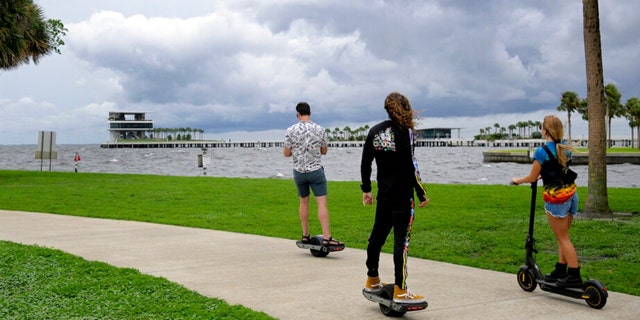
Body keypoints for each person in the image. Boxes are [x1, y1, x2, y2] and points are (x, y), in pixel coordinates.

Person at [360, 92, 429, 304]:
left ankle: (372, 278)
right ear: (406, 108)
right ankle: (401, 288)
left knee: (377, 237)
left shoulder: (375, 131)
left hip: (384, 195)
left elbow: (365, 163)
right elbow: (409, 165)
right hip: (402, 196)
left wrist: (367, 189)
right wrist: (420, 191)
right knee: (401, 243)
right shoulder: (404, 132)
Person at [511, 115, 582, 287]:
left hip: (556, 199)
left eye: (542, 126)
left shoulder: (542, 151)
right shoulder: (564, 146)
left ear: (545, 130)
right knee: (562, 236)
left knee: (563, 237)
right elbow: (557, 169)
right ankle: (561, 268)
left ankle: (574, 274)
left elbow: (532, 176)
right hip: (571, 195)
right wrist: (546, 174)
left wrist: (517, 180)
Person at [284, 102, 343, 247]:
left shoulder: (290, 130)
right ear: (310, 113)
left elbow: (286, 153)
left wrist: (296, 150)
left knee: (303, 202)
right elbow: (324, 151)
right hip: (315, 170)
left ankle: (305, 235)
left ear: (298, 113)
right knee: (321, 204)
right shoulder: (320, 129)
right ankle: (327, 237)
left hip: (299, 171)